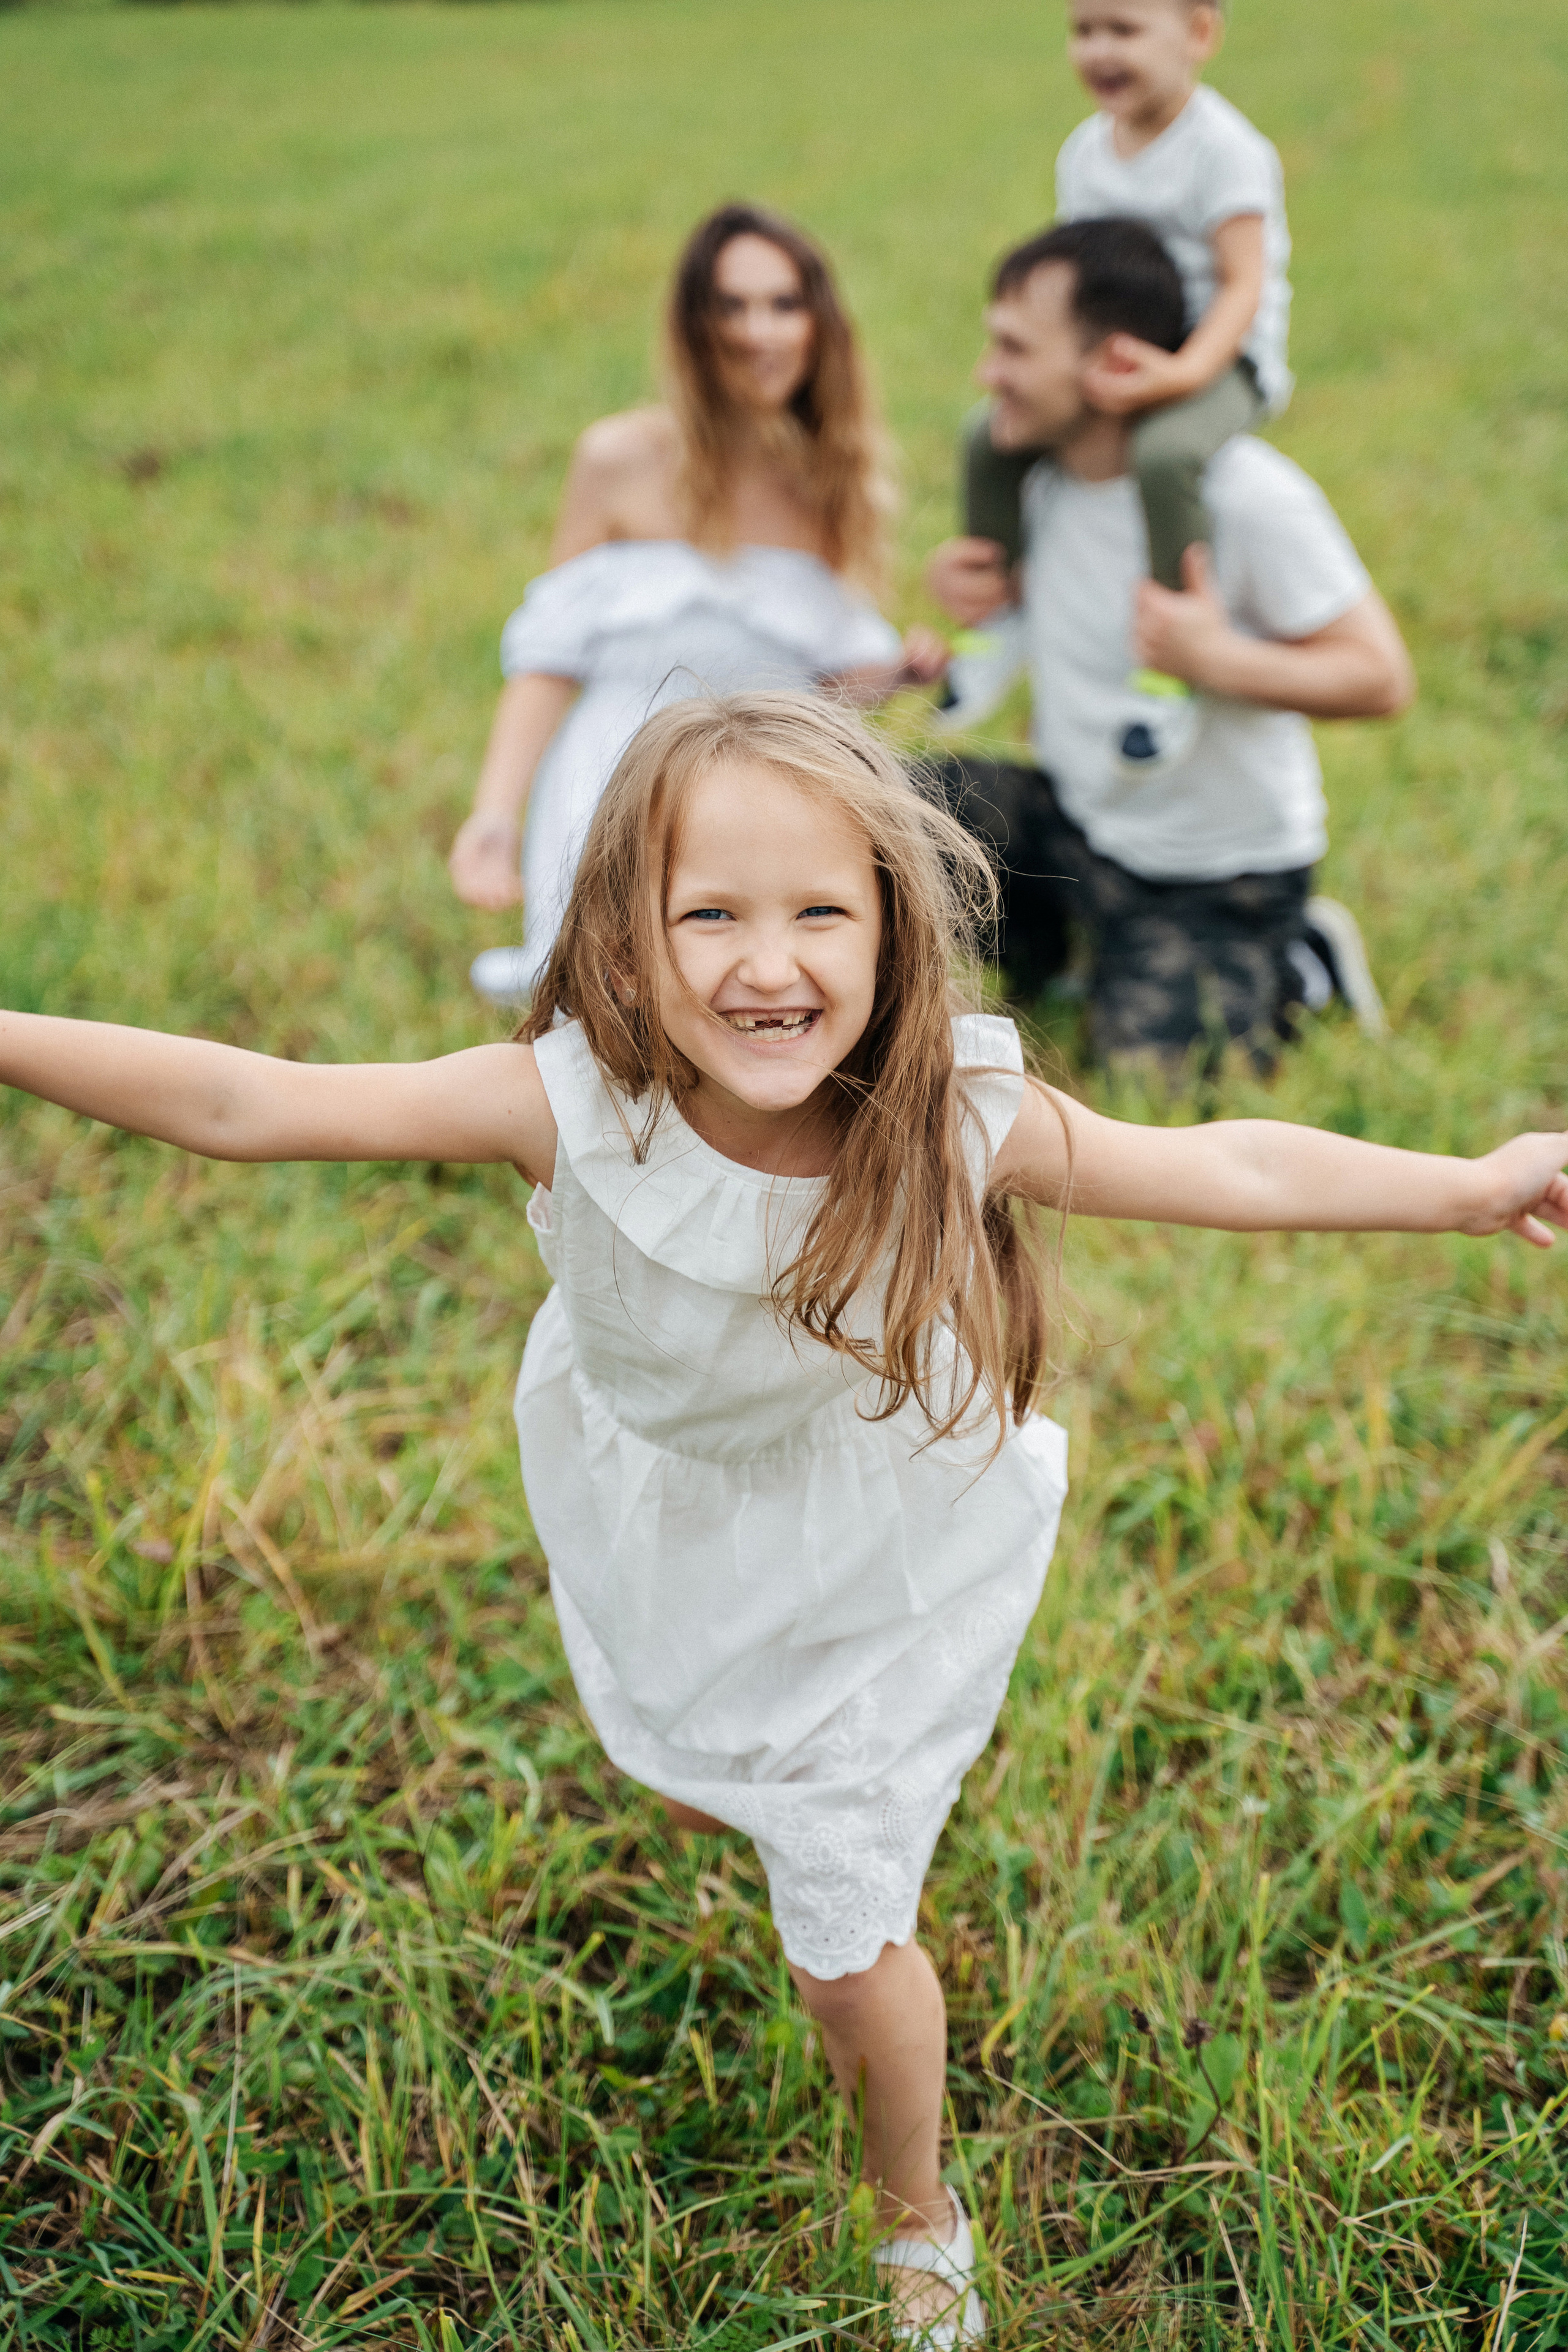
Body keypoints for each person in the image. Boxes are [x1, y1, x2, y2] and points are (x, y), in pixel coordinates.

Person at [7, 693, 1563, 2346]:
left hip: (882, 1533)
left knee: (839, 1929)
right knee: (705, 1771)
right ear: (625, 939)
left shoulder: (949, 1114)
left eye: (821, 910)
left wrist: (1467, 1185)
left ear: (895, 927)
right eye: (713, 914)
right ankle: (781, 1825)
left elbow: (1228, 1170)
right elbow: (253, 1104)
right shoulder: (561, 1103)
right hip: (670, 1505)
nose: (771, 963)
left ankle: (921, 2220)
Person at [926, 219, 1415, 1071]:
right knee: (882, 810)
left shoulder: (1248, 497)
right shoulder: (1041, 480)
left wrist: (1215, 660)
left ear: (1113, 362)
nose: (986, 375)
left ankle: (1299, 963)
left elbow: (1382, 678)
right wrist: (975, 593)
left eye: (1012, 350)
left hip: (1214, 872)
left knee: (1152, 1078)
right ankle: (1071, 953)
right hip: (1081, 827)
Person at [450, 200, 945, 1006]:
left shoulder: (834, 481)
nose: (760, 331)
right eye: (732, 306)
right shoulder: (620, 459)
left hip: (768, 791)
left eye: (784, 304)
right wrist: (495, 813)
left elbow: (820, 695)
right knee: (623, 1011)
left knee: (755, 1003)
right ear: (693, 326)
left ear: (820, 324)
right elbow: (548, 657)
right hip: (617, 785)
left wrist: (900, 674)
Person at [950, 0, 1294, 778]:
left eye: (1123, 30)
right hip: (1122, 349)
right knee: (988, 435)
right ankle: (999, 616)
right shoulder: (1085, 152)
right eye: (1083, 30)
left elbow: (1243, 286)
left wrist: (1185, 374)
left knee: (1165, 452)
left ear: (1199, 35)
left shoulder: (1226, 151)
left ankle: (1166, 667)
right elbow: (1078, 277)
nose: (1099, 49)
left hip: (1223, 359)